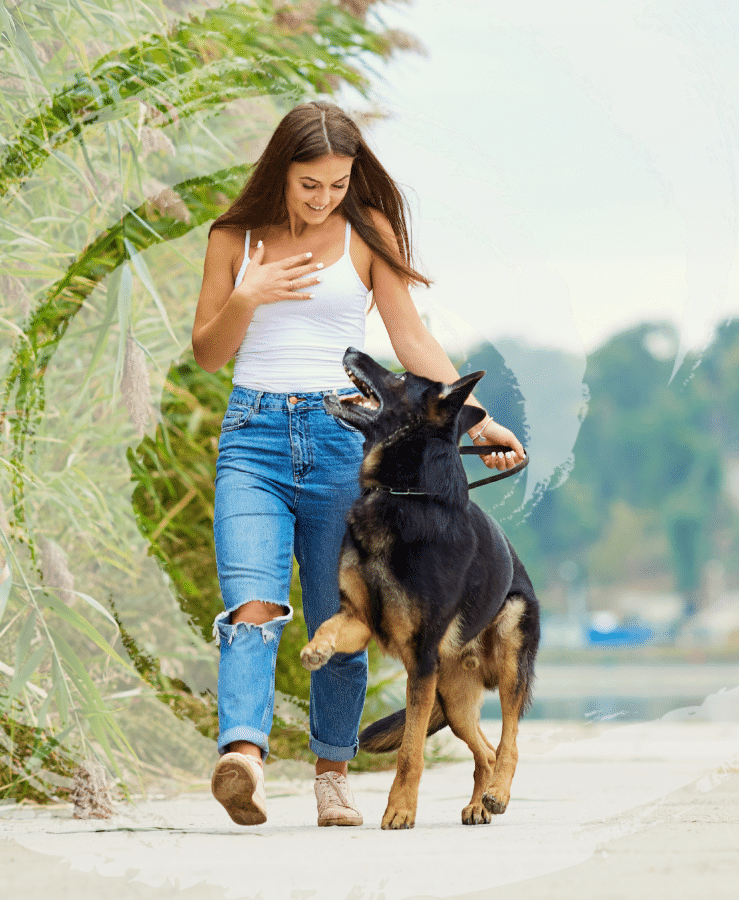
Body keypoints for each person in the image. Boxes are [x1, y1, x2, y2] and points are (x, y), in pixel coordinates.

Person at [191, 101, 525, 828]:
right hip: (253, 439)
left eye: (338, 184)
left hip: (341, 442)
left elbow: (411, 341)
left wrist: (478, 417)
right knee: (251, 607)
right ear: (281, 172)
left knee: (344, 617)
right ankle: (243, 759)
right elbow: (208, 354)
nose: (323, 198)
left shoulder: (366, 234)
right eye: (309, 184)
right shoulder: (233, 238)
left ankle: (333, 778)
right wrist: (247, 295)